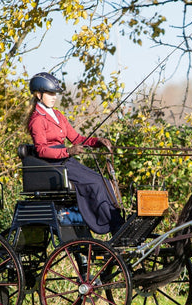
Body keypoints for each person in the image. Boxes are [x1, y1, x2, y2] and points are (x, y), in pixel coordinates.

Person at [26, 72, 124, 235]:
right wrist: (68, 151)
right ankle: (114, 227)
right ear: (38, 94)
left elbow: (76, 138)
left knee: (105, 181)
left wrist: (96, 142)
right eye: (50, 93)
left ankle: (117, 222)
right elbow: (41, 150)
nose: (54, 97)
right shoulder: (37, 119)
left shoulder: (58, 115)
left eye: (55, 93)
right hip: (54, 165)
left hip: (66, 161)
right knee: (96, 184)